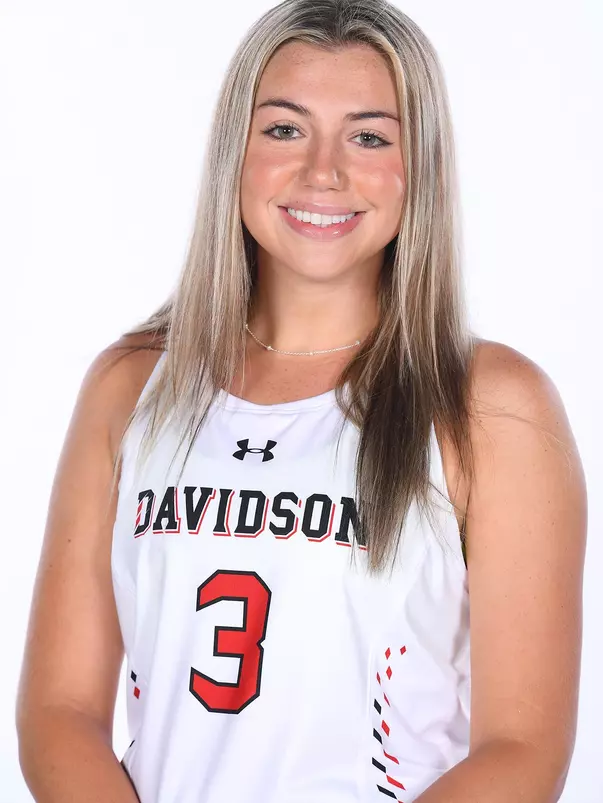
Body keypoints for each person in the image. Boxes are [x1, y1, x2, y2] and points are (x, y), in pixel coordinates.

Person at [16, 1, 587, 801]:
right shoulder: (132, 384)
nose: (323, 171)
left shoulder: (489, 406)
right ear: (235, 151)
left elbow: (522, 750)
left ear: (419, 164)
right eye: (284, 129)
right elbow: (60, 711)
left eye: (369, 137)